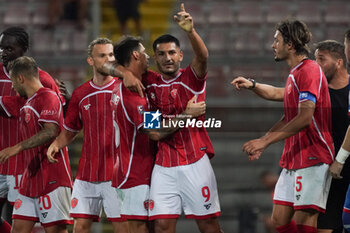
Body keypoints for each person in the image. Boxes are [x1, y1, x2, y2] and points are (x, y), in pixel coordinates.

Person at [103, 4, 223, 233]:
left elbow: (203, 56)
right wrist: (125, 73)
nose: (167, 58)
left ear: (180, 55)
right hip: (163, 165)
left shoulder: (191, 79)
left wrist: (190, 31)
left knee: (208, 225)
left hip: (194, 162)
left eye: (171, 53)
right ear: (154, 58)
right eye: (161, 54)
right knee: (161, 226)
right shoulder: (149, 81)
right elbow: (106, 64)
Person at [233, 39, 350, 233]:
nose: (316, 64)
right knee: (320, 228)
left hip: (344, 163)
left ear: (339, 62)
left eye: (322, 59)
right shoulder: (317, 88)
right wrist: (253, 85)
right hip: (328, 166)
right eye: (315, 59)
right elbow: (280, 93)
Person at [110, 36, 206, 233]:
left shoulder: (140, 85)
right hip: (134, 172)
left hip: (143, 169)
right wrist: (187, 115)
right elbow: (155, 132)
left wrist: (124, 73)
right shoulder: (134, 97)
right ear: (136, 55)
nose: (148, 57)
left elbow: (107, 65)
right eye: (145, 53)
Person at [47, 38, 128, 233]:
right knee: (80, 227)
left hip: (117, 175)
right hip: (86, 175)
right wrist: (56, 144)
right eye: (102, 55)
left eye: (110, 55)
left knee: (123, 228)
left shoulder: (125, 88)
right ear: (90, 61)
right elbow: (71, 129)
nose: (108, 59)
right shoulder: (80, 94)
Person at [0, 26, 65, 232]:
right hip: (93, 177)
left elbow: (55, 125)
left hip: (131, 170)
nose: (3, 52)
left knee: (140, 225)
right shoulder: (86, 92)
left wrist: (166, 126)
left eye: (108, 56)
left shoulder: (43, 86)